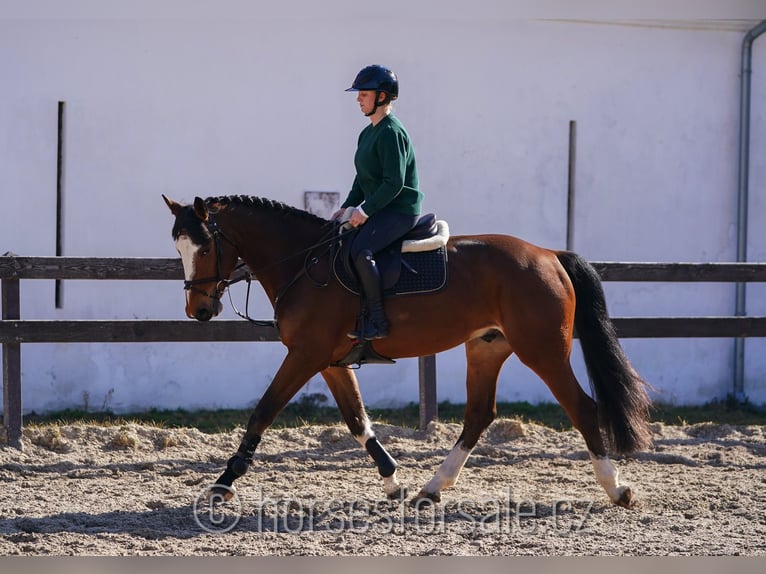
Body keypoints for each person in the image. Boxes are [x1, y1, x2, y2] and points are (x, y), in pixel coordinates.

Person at [333, 64, 423, 341]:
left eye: (364, 93)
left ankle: (378, 321)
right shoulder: (367, 133)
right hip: (379, 208)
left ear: (382, 97)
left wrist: (363, 211)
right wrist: (347, 207)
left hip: (399, 210)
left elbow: (393, 183)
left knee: (362, 252)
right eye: (359, 94)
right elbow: (363, 179)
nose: (358, 98)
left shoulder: (390, 132)